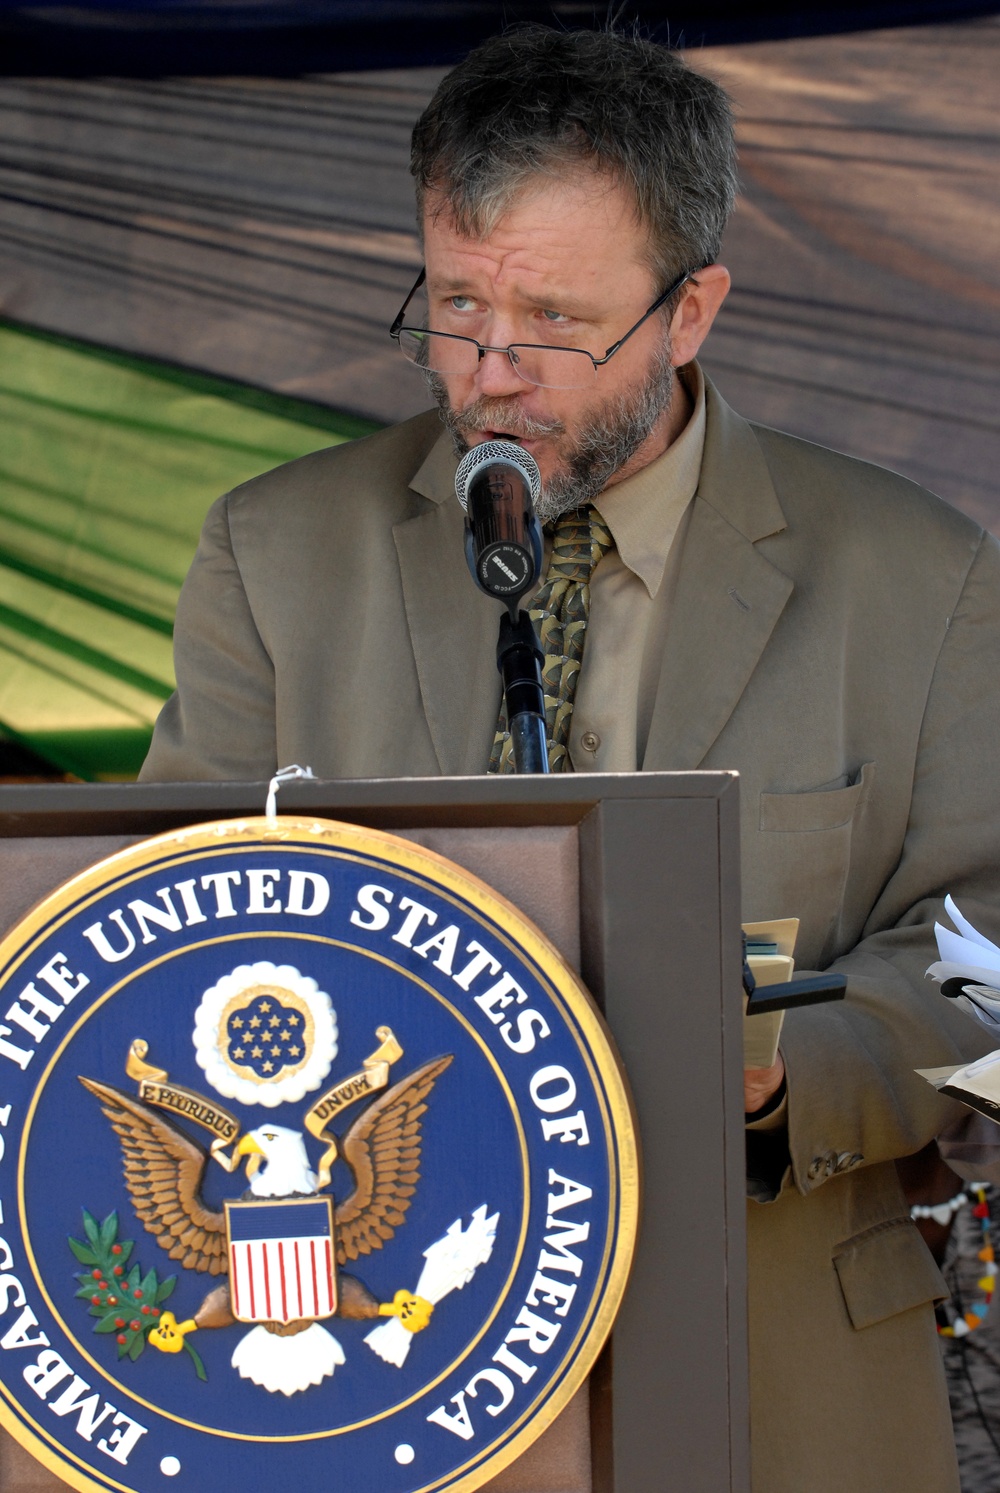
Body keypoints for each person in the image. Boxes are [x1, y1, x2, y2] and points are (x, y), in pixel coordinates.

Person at [140, 27, 1000, 1491]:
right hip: (379, 1383)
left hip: (784, 1383)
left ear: (691, 310)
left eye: (550, 320)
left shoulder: (921, 575)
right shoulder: (271, 552)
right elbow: (158, 914)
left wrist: (786, 1081)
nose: (488, 373)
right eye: (456, 303)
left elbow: (979, 949)